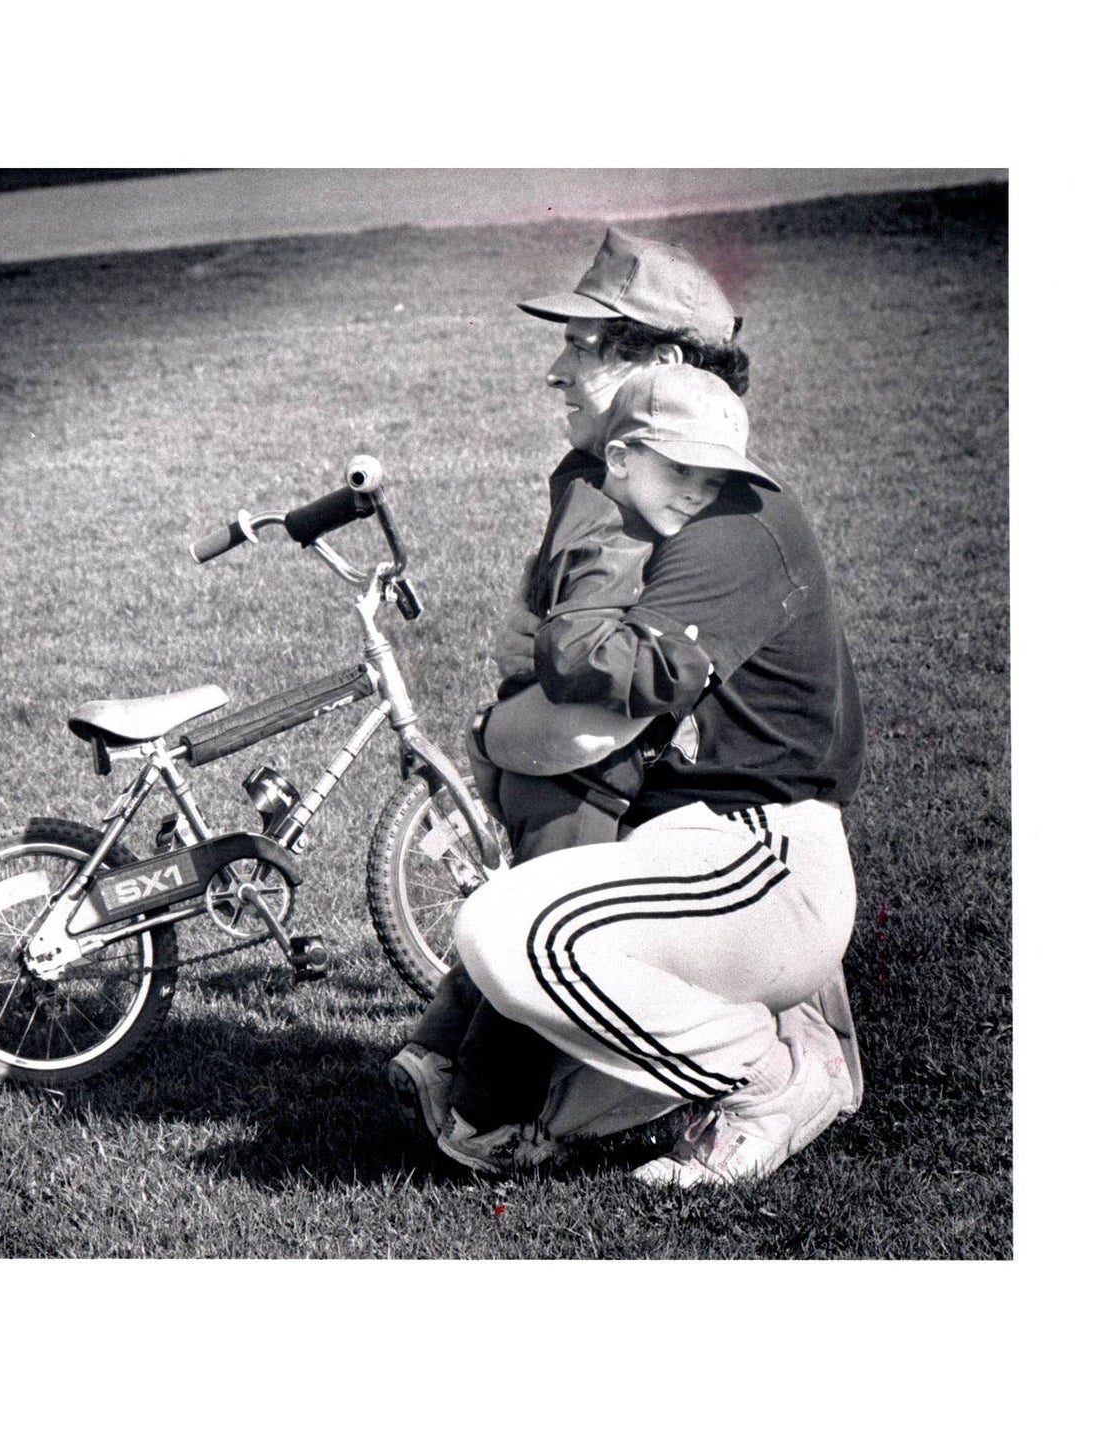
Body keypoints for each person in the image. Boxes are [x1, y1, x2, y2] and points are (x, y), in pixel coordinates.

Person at [393, 228, 866, 1185]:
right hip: (685, 850)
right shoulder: (611, 486)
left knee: (512, 937)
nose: (557, 368)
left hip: (756, 855)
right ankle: (509, 1072)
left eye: (586, 344)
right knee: (522, 982)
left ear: (662, 363)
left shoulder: (725, 517)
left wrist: (489, 731)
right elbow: (535, 660)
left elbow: (572, 722)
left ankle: (777, 1069)